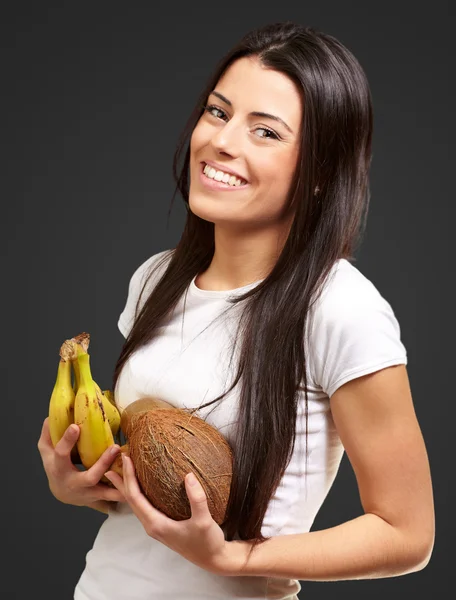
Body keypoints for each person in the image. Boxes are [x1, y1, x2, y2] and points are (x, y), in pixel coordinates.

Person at [38, 21, 435, 600]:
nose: (223, 142)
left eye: (266, 132)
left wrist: (234, 556)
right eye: (218, 113)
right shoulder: (155, 279)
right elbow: (152, 500)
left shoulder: (341, 308)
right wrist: (79, 486)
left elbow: (407, 534)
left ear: (322, 172)